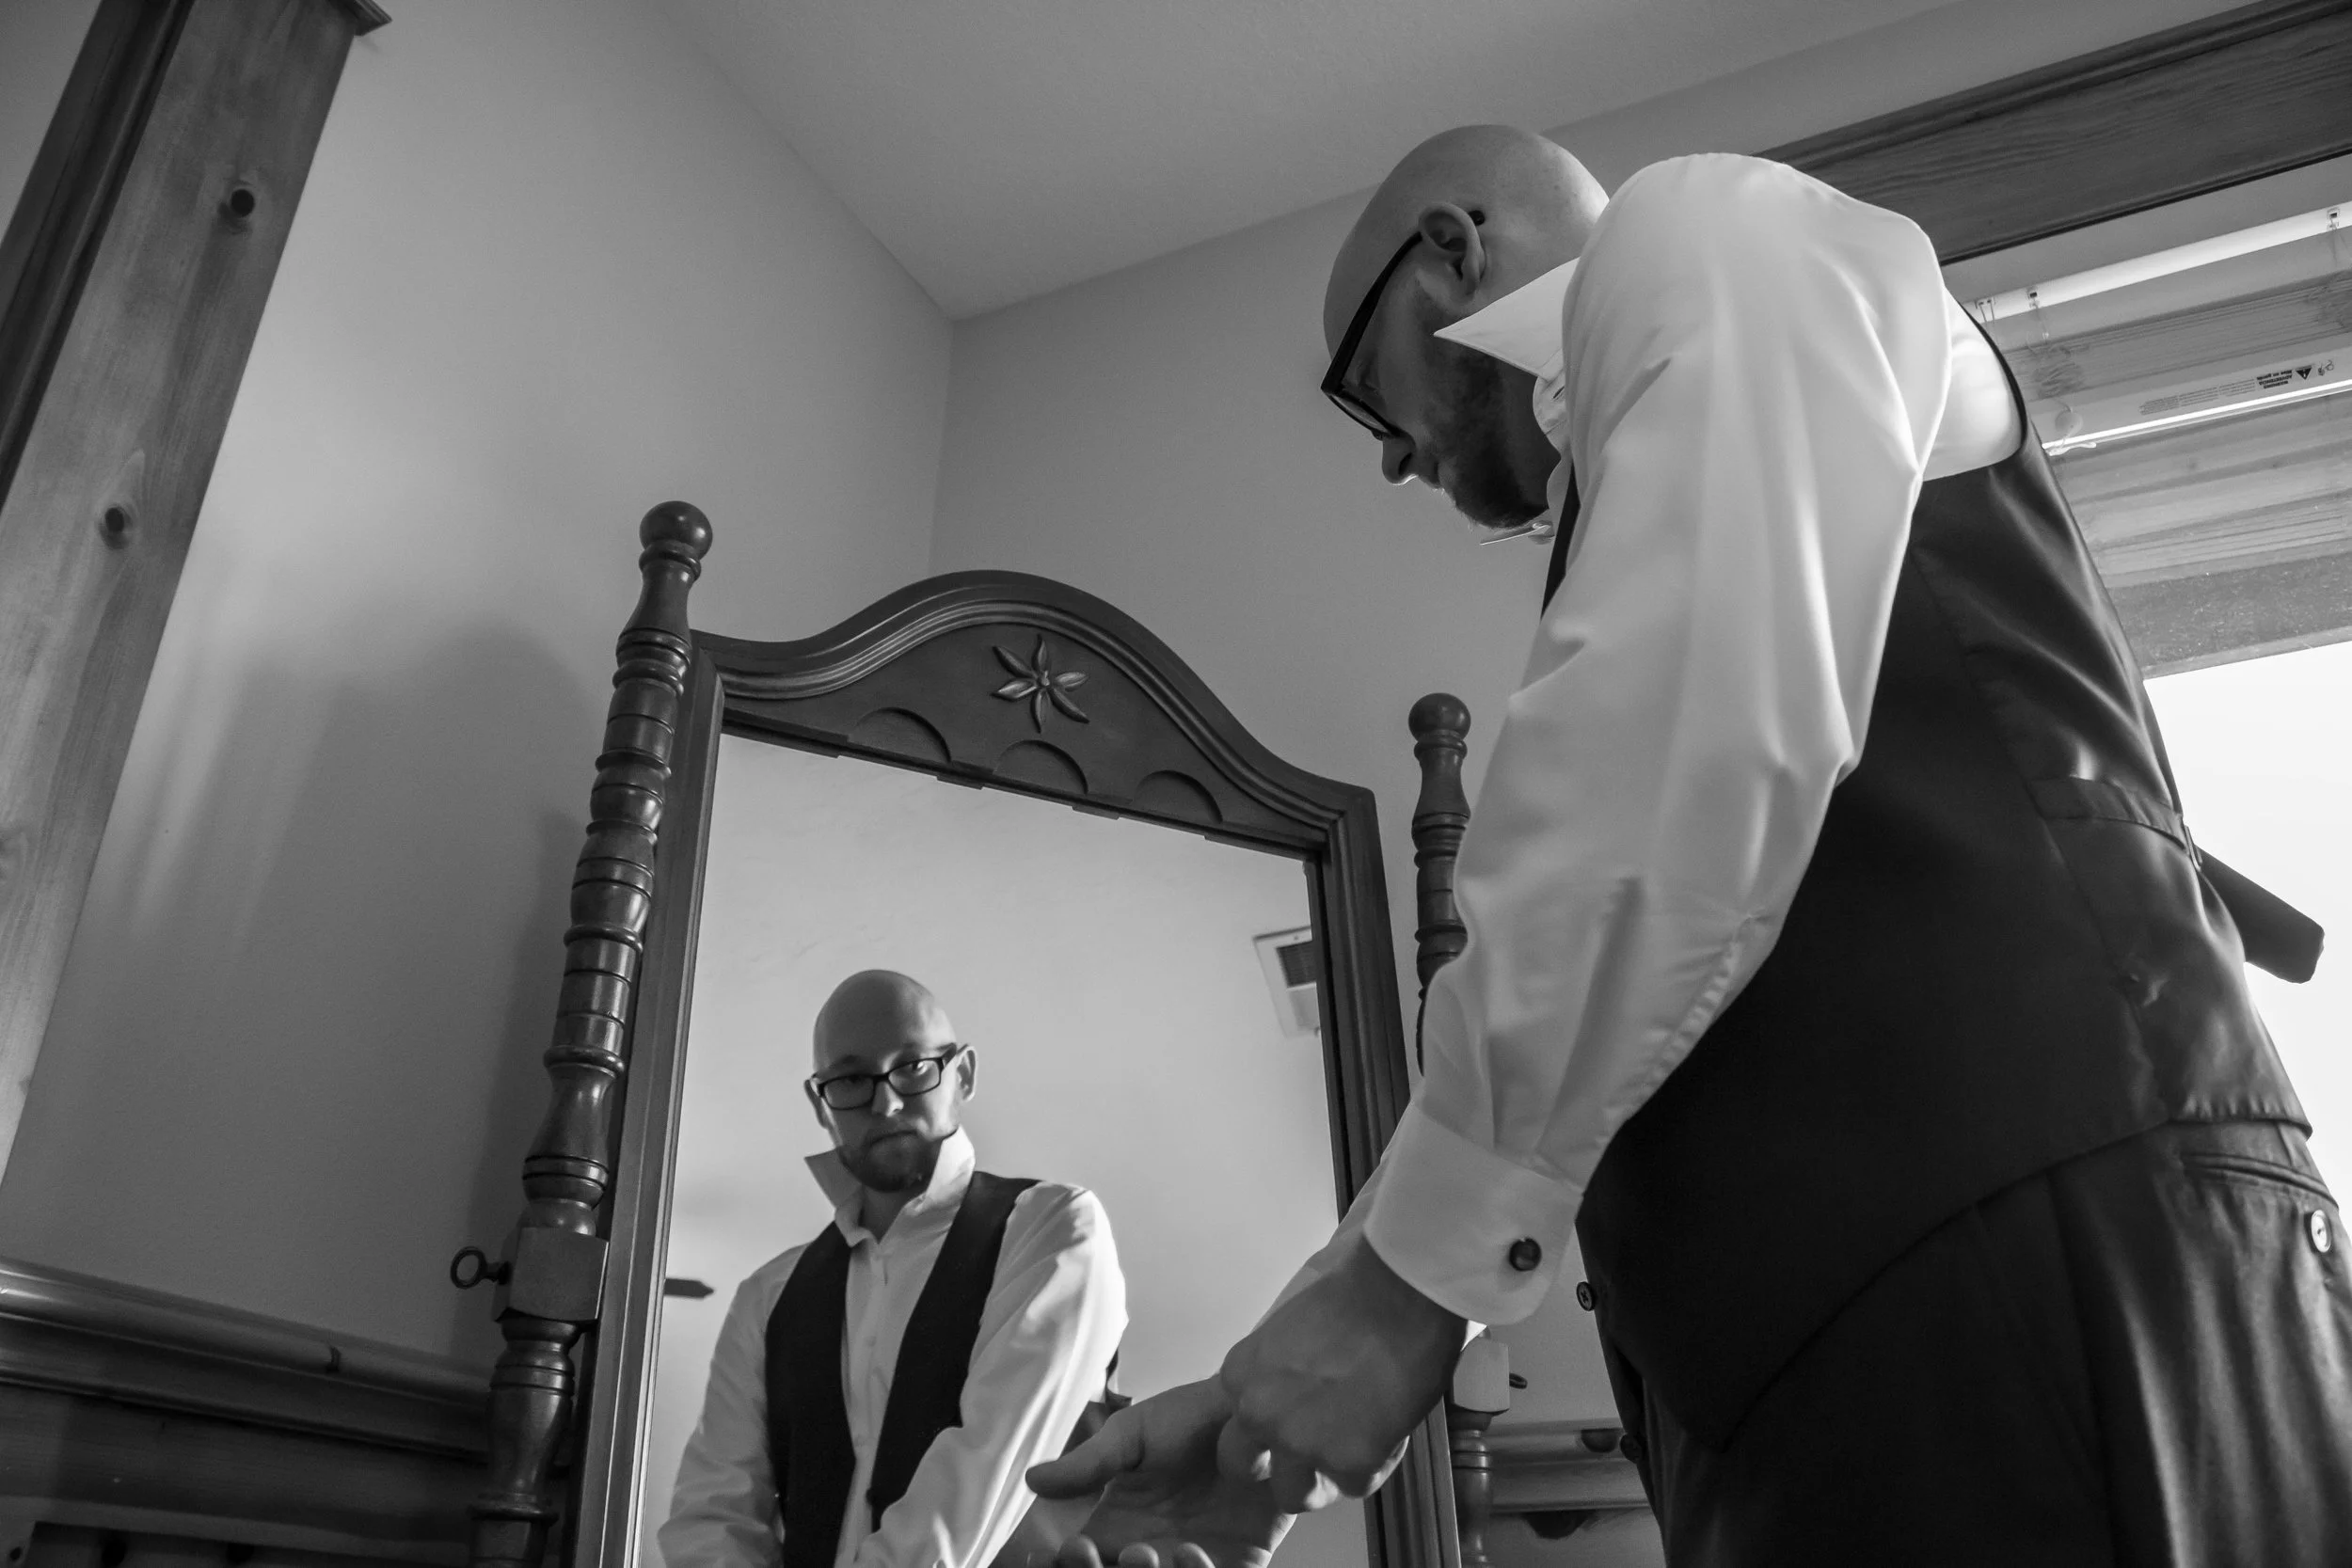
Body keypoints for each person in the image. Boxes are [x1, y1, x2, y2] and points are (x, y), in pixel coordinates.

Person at [1029, 126, 2352, 1567]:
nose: (1396, 453)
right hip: (1834, 1370)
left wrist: (1399, 1294)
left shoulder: (1709, 227)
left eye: (1366, 392)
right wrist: (1268, 1385)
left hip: (2033, 1269)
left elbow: (1689, 740)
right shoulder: (1657, 479)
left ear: (1453, 252)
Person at [663, 970, 1126, 1568]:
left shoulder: (1050, 1227)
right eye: (853, 1077)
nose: (885, 1101)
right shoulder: (767, 1296)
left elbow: (984, 1469)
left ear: (961, 1074)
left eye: (911, 1066)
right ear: (820, 1102)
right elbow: (711, 1516)